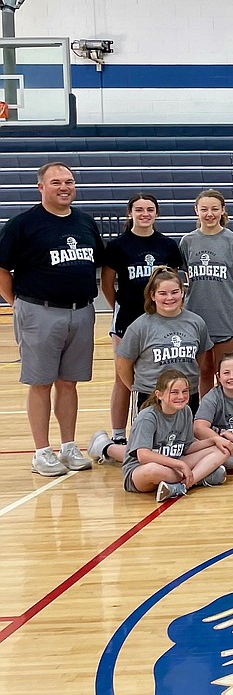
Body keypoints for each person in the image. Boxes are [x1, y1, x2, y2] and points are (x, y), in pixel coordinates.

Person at [0, 163, 105, 475]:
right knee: (41, 382)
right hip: (38, 310)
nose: (64, 187)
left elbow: (96, 262)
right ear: (41, 187)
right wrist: (15, 303)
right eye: (56, 182)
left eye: (69, 182)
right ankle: (41, 451)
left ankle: (68, 446)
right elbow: (2, 267)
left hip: (82, 310)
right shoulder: (23, 224)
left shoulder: (85, 222)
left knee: (69, 382)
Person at [101, 193, 185, 442]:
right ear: (130, 213)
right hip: (128, 318)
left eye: (150, 209)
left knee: (161, 373)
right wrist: (120, 305)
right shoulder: (118, 246)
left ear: (156, 213)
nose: (144, 214)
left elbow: (174, 283)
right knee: (123, 376)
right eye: (139, 210)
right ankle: (118, 434)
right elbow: (107, 284)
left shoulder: (167, 245)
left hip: (161, 320)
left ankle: (163, 430)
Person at [91, 370, 231, 502]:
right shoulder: (148, 417)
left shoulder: (186, 411)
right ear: (159, 395)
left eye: (185, 391)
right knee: (153, 469)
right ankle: (201, 477)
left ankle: (183, 485)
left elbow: (188, 447)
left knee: (222, 449)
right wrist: (180, 464)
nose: (181, 397)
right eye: (174, 392)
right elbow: (143, 456)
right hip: (142, 471)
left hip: (174, 465)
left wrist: (213, 440)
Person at [114, 267, 212, 416]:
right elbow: (123, 365)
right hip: (151, 396)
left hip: (186, 396)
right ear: (152, 296)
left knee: (186, 438)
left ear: (182, 292)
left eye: (174, 292)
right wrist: (140, 388)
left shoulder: (197, 323)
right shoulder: (139, 327)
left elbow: (199, 359)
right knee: (149, 438)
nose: (169, 298)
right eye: (163, 293)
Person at [180, 188, 233, 396]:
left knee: (225, 371)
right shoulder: (187, 241)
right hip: (196, 313)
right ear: (196, 211)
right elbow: (181, 277)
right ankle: (205, 417)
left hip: (225, 313)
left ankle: (225, 416)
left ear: (222, 211)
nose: (209, 214)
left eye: (214, 209)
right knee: (203, 370)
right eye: (204, 209)